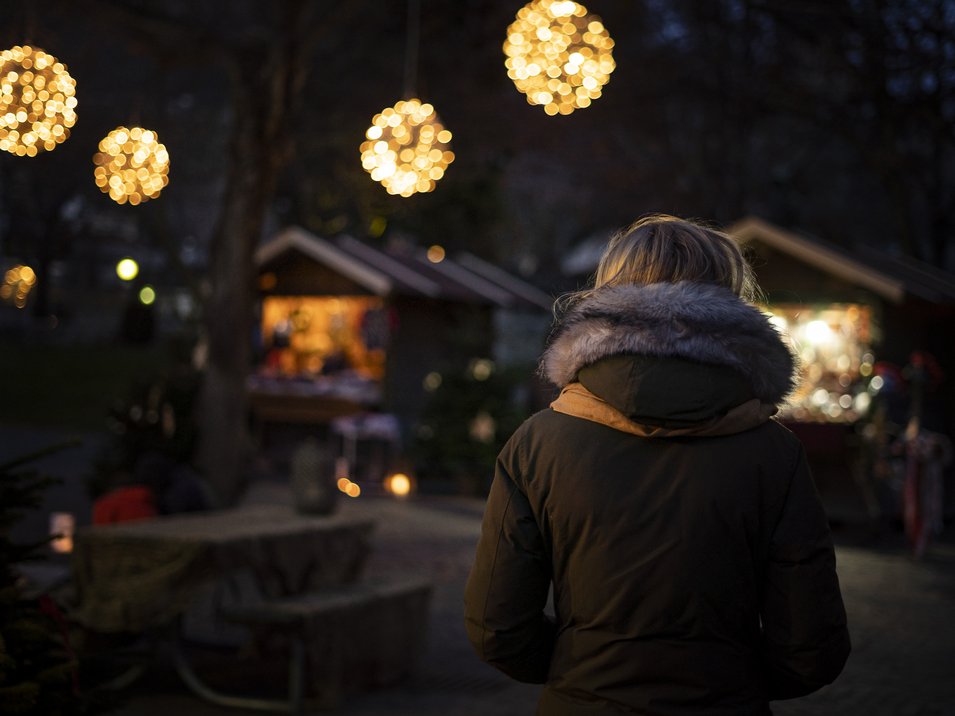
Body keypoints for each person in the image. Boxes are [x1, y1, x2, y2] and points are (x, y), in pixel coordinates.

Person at [464, 215, 850, 715]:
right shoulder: (773, 452)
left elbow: (497, 628)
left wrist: (583, 672)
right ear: (729, 300)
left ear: (606, 296)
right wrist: (729, 681)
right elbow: (810, 646)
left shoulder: (539, 443)